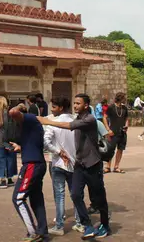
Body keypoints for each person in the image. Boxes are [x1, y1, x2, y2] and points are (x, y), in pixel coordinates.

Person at [38, 94, 111, 238]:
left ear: (86, 105)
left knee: (99, 197)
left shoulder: (89, 119)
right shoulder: (76, 118)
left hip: (93, 164)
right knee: (76, 194)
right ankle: (87, 224)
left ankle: (105, 225)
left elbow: (69, 126)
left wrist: (47, 121)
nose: (75, 105)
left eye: (78, 103)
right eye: (74, 103)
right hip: (79, 164)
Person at [7, 103, 48, 242]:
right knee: (36, 200)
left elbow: (13, 112)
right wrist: (20, 147)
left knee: (18, 198)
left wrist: (18, 106)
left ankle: (33, 232)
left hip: (32, 165)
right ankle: (42, 232)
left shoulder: (30, 118)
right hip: (36, 163)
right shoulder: (29, 125)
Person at [43, 97, 84, 236]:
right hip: (74, 163)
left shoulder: (53, 123)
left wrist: (58, 152)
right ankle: (79, 223)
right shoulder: (76, 122)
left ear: (60, 108)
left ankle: (59, 226)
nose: (52, 109)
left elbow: (46, 142)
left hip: (58, 163)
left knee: (59, 196)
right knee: (76, 195)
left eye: (54, 107)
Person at [0, 96, 17, 189]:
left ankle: (2, 181)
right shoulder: (10, 112)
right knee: (10, 159)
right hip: (9, 139)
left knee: (0, 160)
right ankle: (10, 179)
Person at [103, 92, 129, 174]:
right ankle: (108, 166)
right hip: (112, 131)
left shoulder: (124, 108)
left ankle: (116, 166)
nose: (125, 99)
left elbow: (127, 118)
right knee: (110, 150)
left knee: (120, 149)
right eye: (124, 98)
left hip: (122, 132)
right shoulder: (111, 107)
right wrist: (108, 129)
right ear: (120, 98)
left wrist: (126, 126)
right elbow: (104, 118)